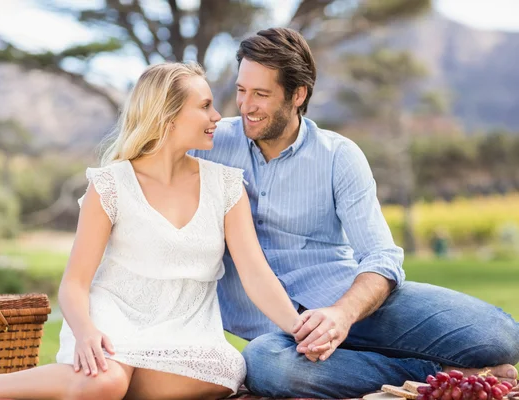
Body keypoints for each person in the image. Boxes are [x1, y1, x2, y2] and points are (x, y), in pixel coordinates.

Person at [0, 63, 314, 400]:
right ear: (168, 115)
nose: (217, 117)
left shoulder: (226, 186)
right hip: (114, 323)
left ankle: (89, 383)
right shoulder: (110, 185)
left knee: (225, 372)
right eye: (206, 106)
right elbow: (74, 284)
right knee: (105, 381)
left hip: (188, 332)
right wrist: (86, 331)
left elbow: (256, 275)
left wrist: (301, 330)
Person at [191, 27, 519, 399]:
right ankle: (436, 373)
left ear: (297, 95)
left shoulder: (338, 156)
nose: (246, 106)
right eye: (241, 91)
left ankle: (373, 357)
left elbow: (381, 255)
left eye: (261, 94)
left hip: (347, 299)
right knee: (268, 366)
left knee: (500, 336)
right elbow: (144, 157)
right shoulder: (210, 144)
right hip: (278, 333)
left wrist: (342, 314)